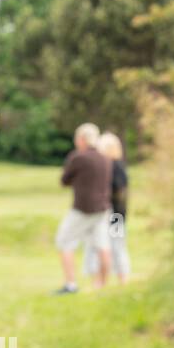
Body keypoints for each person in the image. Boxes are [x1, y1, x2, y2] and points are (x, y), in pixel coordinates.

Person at [54, 122, 112, 293]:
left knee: (64, 241)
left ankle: (71, 284)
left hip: (83, 208)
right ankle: (102, 284)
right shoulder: (105, 158)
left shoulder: (78, 157)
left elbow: (64, 180)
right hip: (103, 208)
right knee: (103, 245)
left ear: (82, 139)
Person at [85, 132, 129, 285]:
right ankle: (104, 279)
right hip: (110, 213)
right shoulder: (111, 165)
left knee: (116, 246)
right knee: (103, 246)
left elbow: (118, 191)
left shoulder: (115, 166)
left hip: (115, 214)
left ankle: (121, 278)